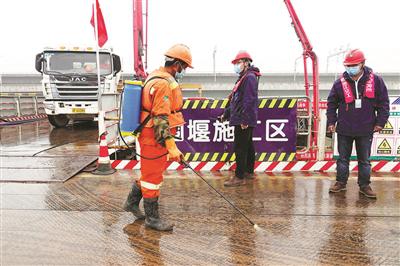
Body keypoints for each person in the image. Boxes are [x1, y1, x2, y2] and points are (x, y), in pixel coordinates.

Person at [123, 44, 193, 230]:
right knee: (152, 177)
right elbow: (160, 118)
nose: (184, 71)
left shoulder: (156, 76)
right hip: (154, 137)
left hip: (152, 135)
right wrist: (171, 147)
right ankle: (152, 219)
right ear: (176, 64)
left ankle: (131, 203)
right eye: (184, 67)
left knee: (150, 173)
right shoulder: (162, 83)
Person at [326, 49, 389, 199]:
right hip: (344, 128)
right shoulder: (339, 83)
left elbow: (384, 103)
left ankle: (364, 185)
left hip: (366, 128)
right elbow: (331, 104)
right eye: (348, 65)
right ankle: (340, 182)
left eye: (354, 65)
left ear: (363, 64)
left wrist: (381, 122)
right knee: (342, 159)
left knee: (365, 160)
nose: (351, 68)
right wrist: (331, 121)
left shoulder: (376, 81)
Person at [221, 51, 261, 187]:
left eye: (238, 63)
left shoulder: (249, 78)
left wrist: (245, 119)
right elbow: (236, 101)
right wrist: (226, 114)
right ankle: (249, 172)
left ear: (245, 63)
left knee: (240, 147)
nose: (236, 66)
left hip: (243, 119)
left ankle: (239, 176)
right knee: (248, 145)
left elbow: (249, 100)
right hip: (243, 117)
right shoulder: (244, 77)